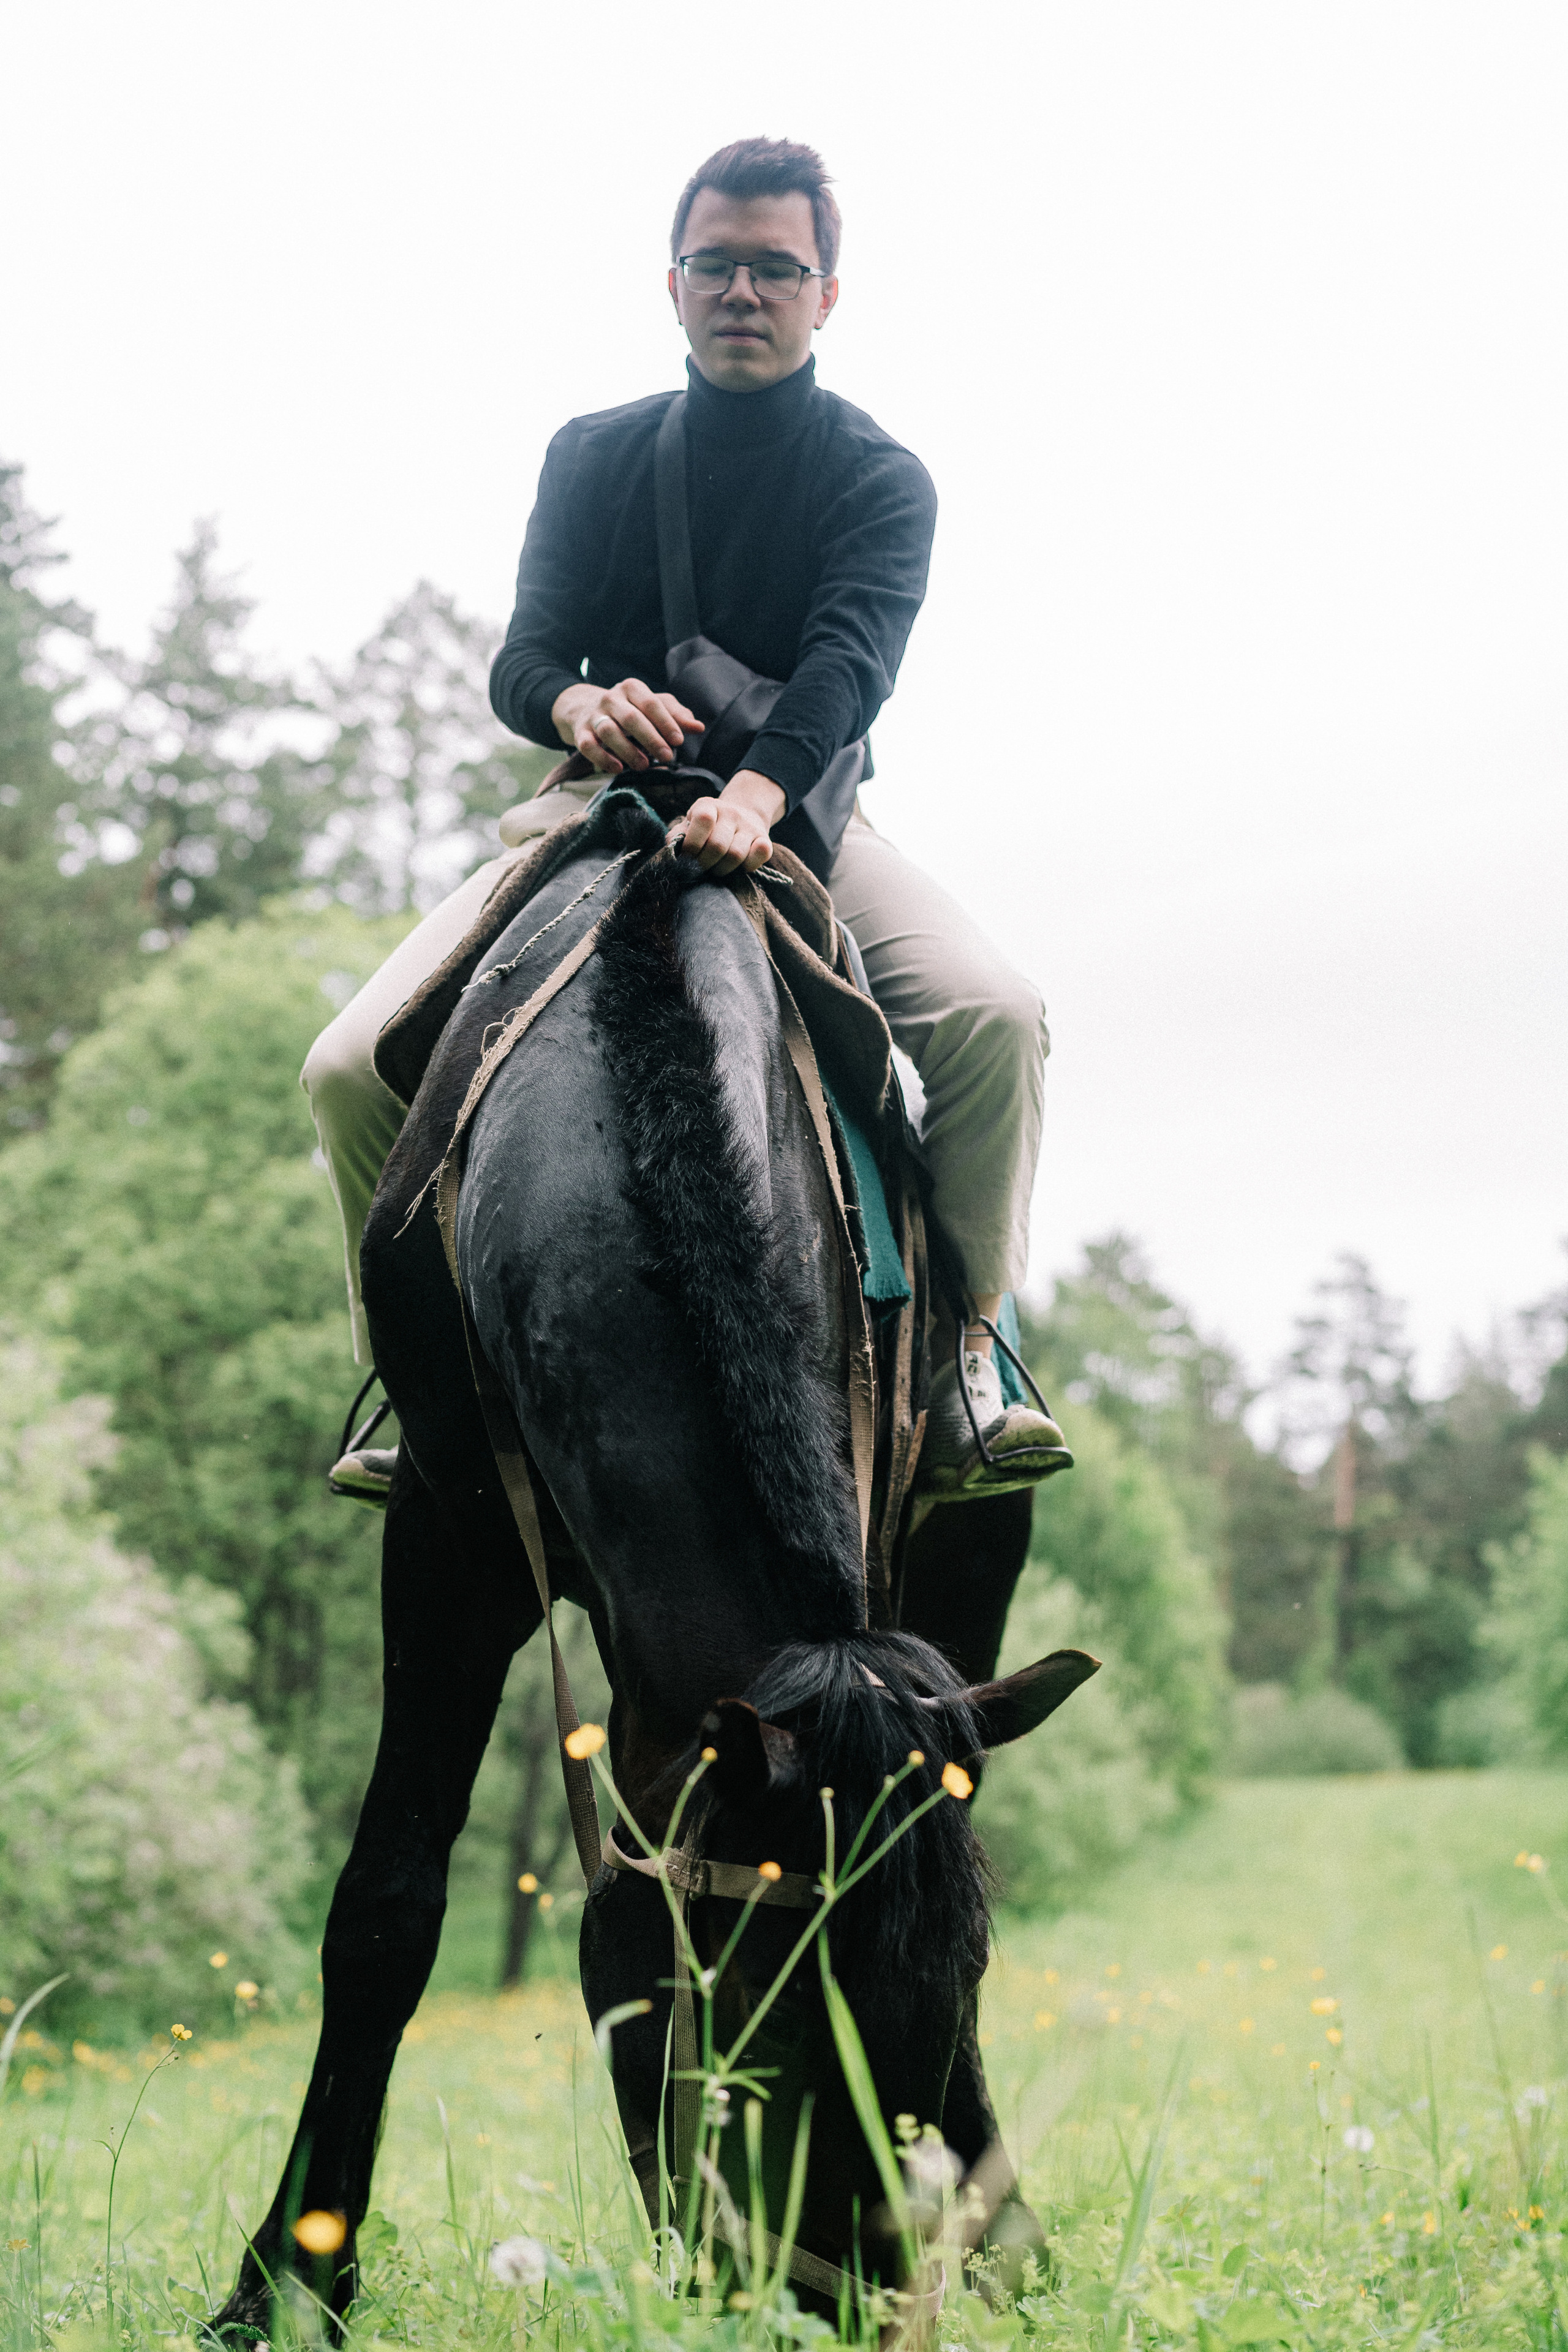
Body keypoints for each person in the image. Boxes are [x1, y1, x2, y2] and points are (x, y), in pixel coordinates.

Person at [306, 136, 1063, 1507]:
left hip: (803, 817)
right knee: (347, 1067)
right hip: (593, 814)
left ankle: (965, 1354)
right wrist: (582, 709)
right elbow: (520, 661)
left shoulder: (880, 479)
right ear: (670, 282)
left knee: (995, 1017)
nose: (741, 289)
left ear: (826, 294)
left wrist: (757, 794)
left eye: (775, 267)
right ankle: (414, 1390)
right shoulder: (590, 456)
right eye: (715, 263)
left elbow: (847, 667)